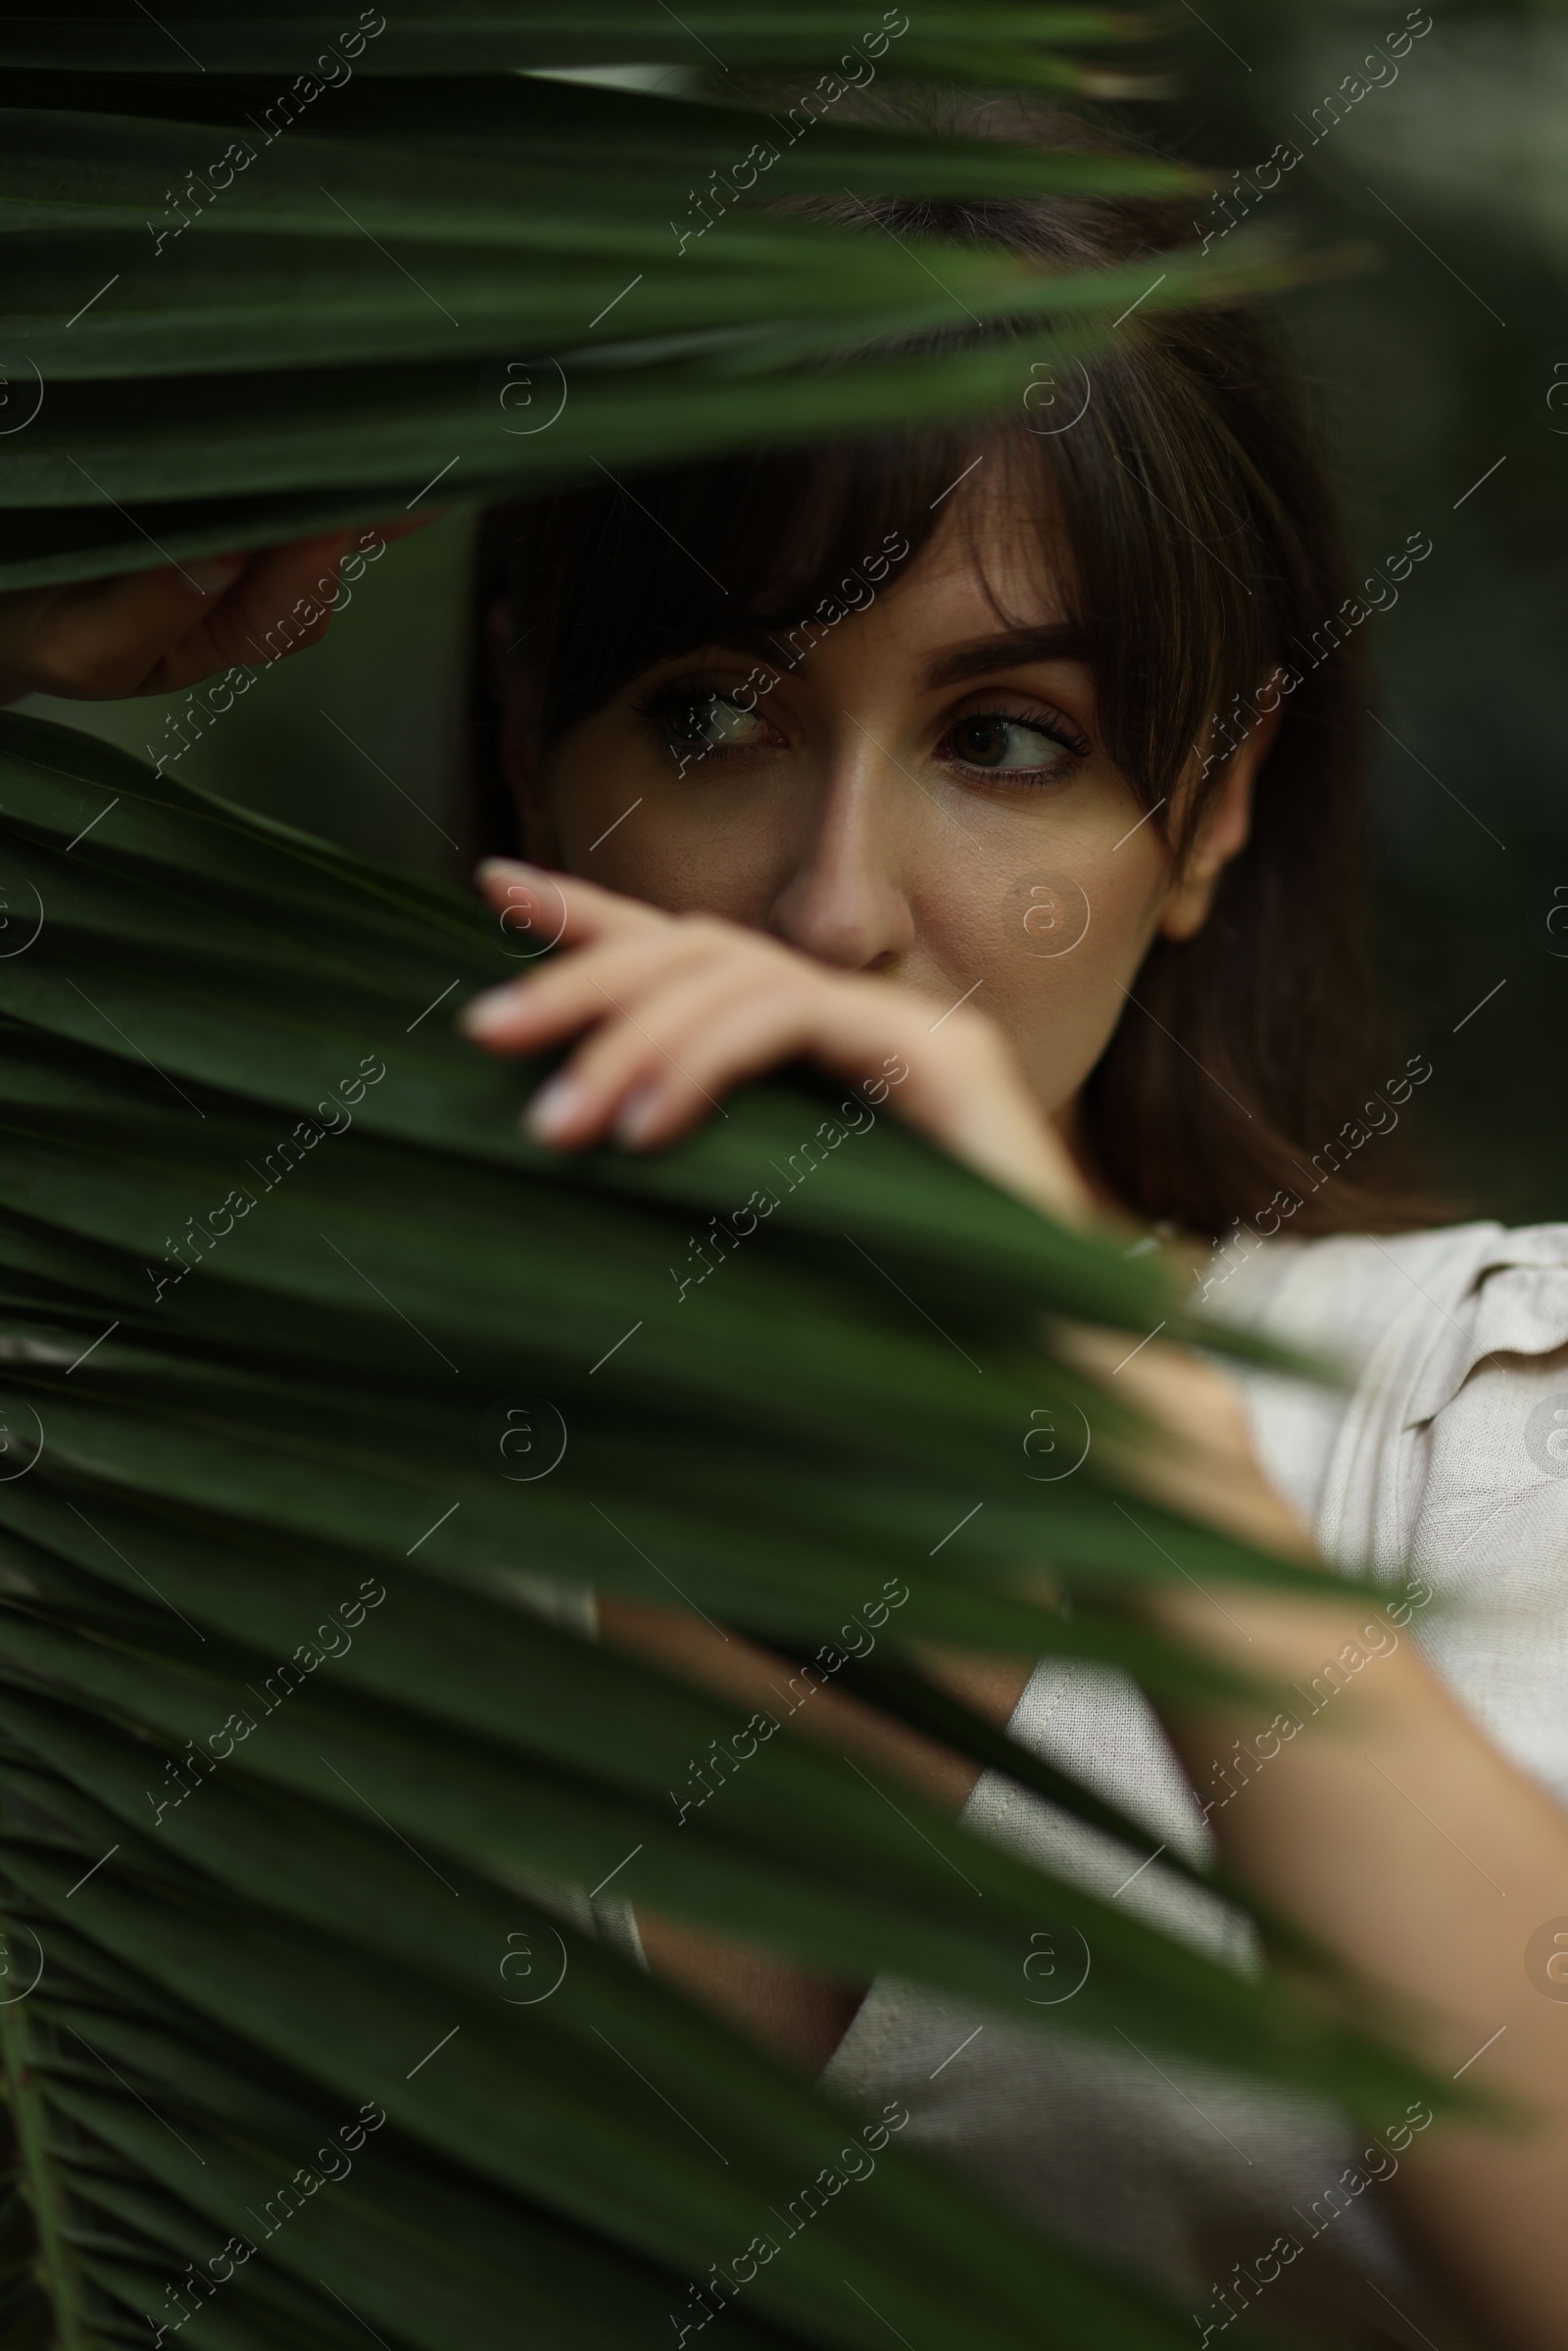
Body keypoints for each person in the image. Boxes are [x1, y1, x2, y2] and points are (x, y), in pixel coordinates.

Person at [3, 151, 1566, 2351]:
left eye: (1007, 740)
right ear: (543, 759)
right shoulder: (202, 1473)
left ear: (1206, 810)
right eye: (716, 715)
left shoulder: (1471, 1421)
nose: (835, 911)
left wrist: (1121, 1433)